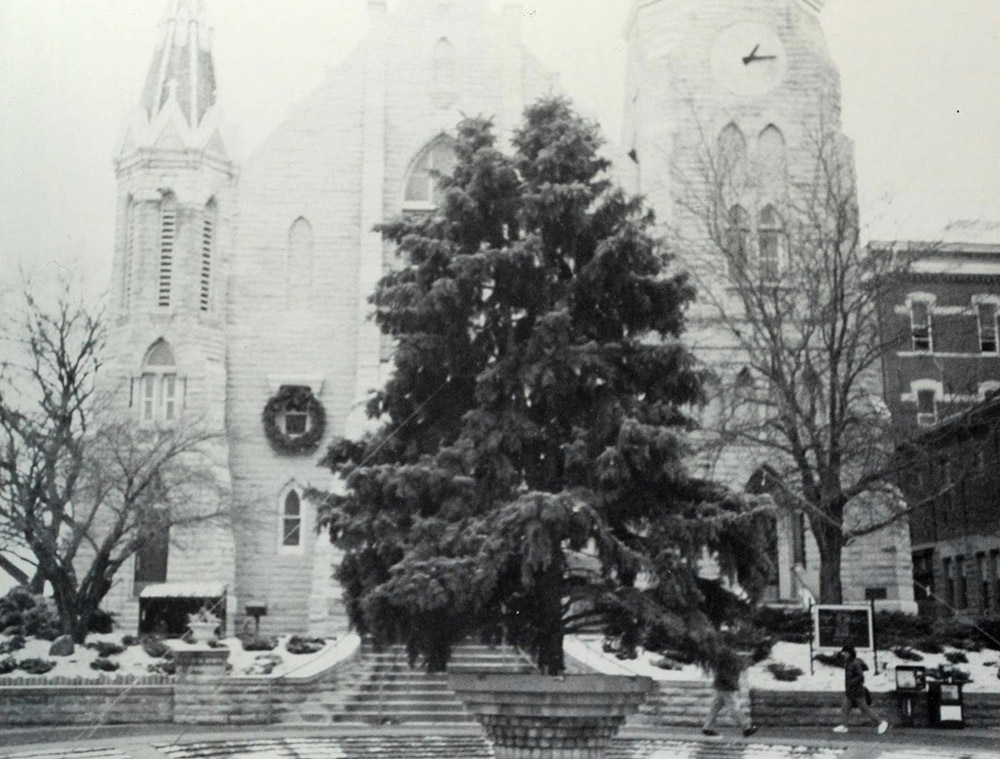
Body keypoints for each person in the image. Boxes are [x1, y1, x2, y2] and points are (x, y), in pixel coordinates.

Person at [702, 645, 758, 738]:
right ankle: (746, 728)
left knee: (715, 707)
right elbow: (735, 669)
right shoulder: (730, 656)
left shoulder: (721, 654)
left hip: (721, 685)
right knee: (735, 707)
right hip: (727, 687)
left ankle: (707, 728)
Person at [833, 645, 888, 734]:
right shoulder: (848, 663)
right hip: (850, 691)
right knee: (845, 707)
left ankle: (881, 722)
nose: (844, 654)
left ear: (850, 653)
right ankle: (844, 726)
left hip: (857, 691)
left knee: (864, 708)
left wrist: (852, 682)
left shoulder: (855, 663)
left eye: (845, 653)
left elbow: (861, 677)